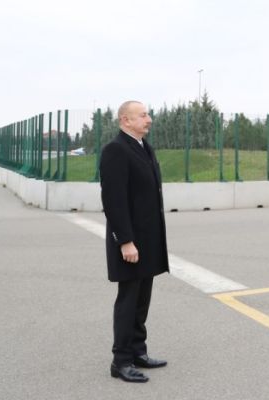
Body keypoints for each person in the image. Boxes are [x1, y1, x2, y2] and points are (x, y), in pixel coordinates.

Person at [100, 100, 169, 383]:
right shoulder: (116, 150)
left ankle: (138, 351)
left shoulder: (144, 147)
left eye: (147, 114)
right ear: (125, 120)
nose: (148, 119)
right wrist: (125, 241)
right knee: (128, 301)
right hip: (131, 243)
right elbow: (113, 200)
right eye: (142, 115)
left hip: (148, 241)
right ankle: (121, 361)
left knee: (142, 300)